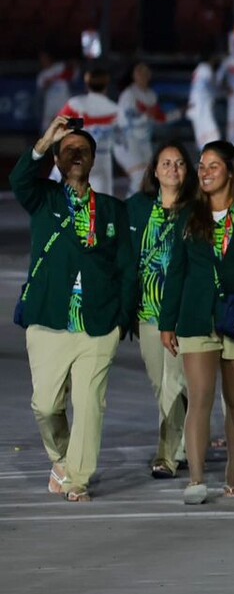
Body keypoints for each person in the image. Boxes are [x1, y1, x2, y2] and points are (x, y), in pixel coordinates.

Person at [12, 117, 136, 502]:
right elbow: (20, 180)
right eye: (68, 151)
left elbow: (127, 268)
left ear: (95, 159)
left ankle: (78, 479)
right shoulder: (44, 198)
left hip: (98, 323)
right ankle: (63, 458)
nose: (77, 155)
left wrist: (121, 320)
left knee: (89, 404)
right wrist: (46, 138)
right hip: (49, 318)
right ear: (57, 159)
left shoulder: (113, 210)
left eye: (83, 150)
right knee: (46, 405)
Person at [159, 141, 234, 503]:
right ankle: (197, 479)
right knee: (200, 397)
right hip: (197, 317)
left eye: (214, 165)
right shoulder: (188, 215)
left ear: (231, 171)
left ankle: (233, 471)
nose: (205, 171)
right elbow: (176, 273)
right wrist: (168, 322)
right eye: (202, 165)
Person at [127, 142, 195, 480]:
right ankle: (180, 443)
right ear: (154, 170)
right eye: (166, 163)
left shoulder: (195, 210)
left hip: (182, 312)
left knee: (174, 381)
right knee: (160, 383)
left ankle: (166, 455)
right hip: (147, 312)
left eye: (180, 163)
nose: (173, 169)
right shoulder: (137, 209)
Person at [59, 65, 121, 196]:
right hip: (102, 158)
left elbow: (58, 126)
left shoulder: (75, 104)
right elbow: (122, 136)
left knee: (67, 200)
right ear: (107, 84)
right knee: (101, 205)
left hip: (76, 157)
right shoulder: (115, 109)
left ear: (86, 83)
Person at [116, 62, 168, 194]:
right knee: (139, 177)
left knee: (151, 179)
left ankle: (141, 211)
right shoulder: (128, 95)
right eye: (139, 73)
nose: (142, 76)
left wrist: (180, 113)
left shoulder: (151, 95)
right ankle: (127, 211)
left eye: (145, 73)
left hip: (144, 142)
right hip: (127, 142)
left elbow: (160, 118)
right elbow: (126, 121)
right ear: (134, 76)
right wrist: (145, 116)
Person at [188, 52, 222, 147]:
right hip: (200, 109)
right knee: (214, 138)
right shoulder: (205, 68)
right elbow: (210, 87)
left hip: (200, 108)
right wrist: (223, 90)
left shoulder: (201, 69)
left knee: (205, 141)